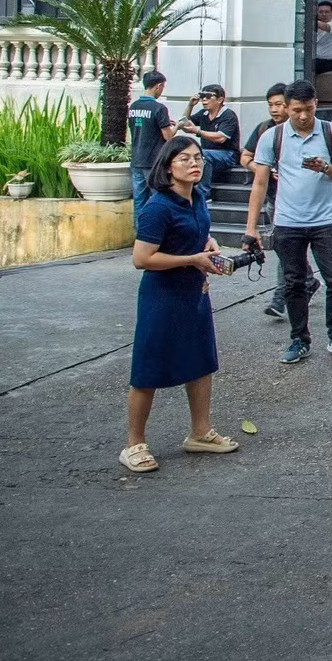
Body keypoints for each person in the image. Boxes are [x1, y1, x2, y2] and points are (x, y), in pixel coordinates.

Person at [121, 135, 239, 474]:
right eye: (185, 158)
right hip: (162, 296)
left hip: (194, 291)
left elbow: (199, 234)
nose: (194, 163)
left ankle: (200, 432)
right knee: (148, 369)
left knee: (201, 361)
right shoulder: (157, 207)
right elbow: (142, 258)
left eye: (198, 157)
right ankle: (134, 444)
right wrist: (193, 259)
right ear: (168, 166)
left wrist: (208, 244)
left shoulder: (197, 197)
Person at [244, 82, 332, 365]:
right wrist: (251, 228)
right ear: (286, 108)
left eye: (308, 109)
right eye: (296, 110)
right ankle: (299, 339)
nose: (303, 116)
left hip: (325, 220)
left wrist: (325, 167)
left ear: (316, 104)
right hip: (288, 221)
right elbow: (259, 182)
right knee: (294, 283)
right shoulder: (272, 136)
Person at [242, 83, 316, 320]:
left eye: (278, 105)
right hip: (275, 198)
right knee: (288, 247)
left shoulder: (311, 131)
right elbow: (245, 157)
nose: (274, 109)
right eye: (270, 105)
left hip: (303, 201)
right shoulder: (265, 130)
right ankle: (309, 281)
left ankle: (279, 295)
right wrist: (261, 168)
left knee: (287, 247)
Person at [127, 69, 174, 217]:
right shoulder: (159, 108)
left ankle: (140, 234)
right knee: (159, 198)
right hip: (153, 162)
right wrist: (177, 126)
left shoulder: (133, 106)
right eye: (162, 87)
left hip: (136, 160)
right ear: (158, 86)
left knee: (139, 201)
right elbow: (168, 137)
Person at [184, 85, 240, 197]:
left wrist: (198, 131)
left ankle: (204, 194)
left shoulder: (228, 115)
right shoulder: (203, 113)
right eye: (202, 96)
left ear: (220, 99)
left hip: (228, 155)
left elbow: (221, 137)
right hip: (208, 153)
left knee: (202, 155)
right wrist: (190, 105)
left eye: (208, 96)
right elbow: (184, 122)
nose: (204, 99)